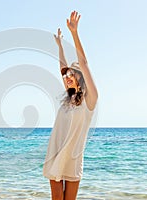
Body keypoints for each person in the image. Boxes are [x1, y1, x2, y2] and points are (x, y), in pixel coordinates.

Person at [43, 10, 98, 200]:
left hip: (73, 157)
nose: (67, 78)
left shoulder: (90, 101)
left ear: (80, 77)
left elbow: (83, 63)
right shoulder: (70, 96)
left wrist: (74, 33)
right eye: (66, 76)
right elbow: (62, 68)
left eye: (71, 75)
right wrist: (59, 45)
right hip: (56, 151)